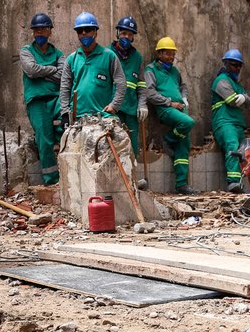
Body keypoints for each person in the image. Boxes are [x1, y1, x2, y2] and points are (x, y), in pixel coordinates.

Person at [139, 37, 198, 195]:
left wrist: (184, 97)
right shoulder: (151, 70)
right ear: (160, 53)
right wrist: (169, 103)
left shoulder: (174, 71)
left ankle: (181, 184)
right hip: (166, 109)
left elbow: (183, 86)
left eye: (173, 54)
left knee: (183, 148)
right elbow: (150, 93)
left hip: (179, 108)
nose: (171, 57)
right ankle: (169, 139)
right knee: (189, 123)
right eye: (168, 54)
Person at [20, 12, 66, 185]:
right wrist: (51, 70)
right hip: (36, 100)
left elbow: (63, 76)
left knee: (67, 123)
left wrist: (42, 72)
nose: (39, 33)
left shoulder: (59, 54)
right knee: (44, 140)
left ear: (50, 31)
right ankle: (52, 180)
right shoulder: (26, 51)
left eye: (43, 29)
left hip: (56, 98)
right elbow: (30, 70)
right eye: (36, 30)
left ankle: (58, 141)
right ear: (33, 32)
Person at [58, 12, 126, 123]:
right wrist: (65, 112)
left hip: (103, 116)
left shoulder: (109, 56)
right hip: (78, 117)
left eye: (88, 29)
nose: (84, 33)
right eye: (80, 31)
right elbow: (65, 87)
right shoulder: (71, 59)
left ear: (95, 32)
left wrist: (114, 105)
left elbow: (121, 82)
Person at [210, 49, 249, 194]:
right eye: (234, 65)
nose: (237, 68)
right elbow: (232, 100)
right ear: (225, 64)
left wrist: (244, 98)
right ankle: (233, 182)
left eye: (239, 66)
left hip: (237, 123)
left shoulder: (235, 83)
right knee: (232, 146)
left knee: (242, 152)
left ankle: (238, 182)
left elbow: (248, 100)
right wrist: (242, 98)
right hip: (224, 121)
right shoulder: (221, 81)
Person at [111, 16, 145, 160]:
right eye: (124, 33)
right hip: (112, 110)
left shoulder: (137, 57)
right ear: (118, 33)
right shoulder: (107, 53)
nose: (126, 37)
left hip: (131, 109)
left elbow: (142, 84)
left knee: (133, 147)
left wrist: (143, 105)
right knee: (113, 147)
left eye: (130, 34)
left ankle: (132, 181)